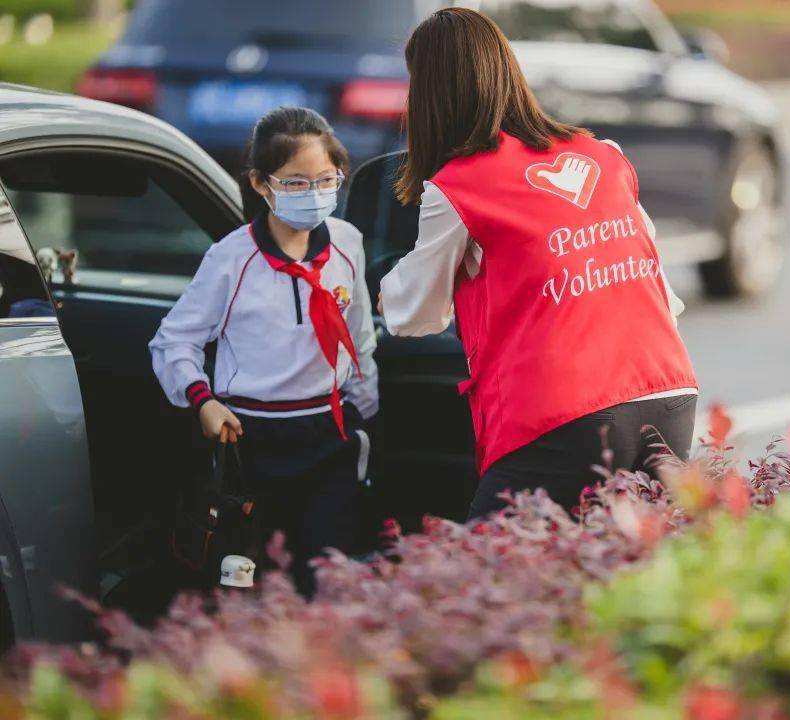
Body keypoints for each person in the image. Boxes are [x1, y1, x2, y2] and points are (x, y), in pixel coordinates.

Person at [379, 8, 698, 519]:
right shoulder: (604, 156)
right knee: (628, 564)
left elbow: (414, 314)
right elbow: (661, 292)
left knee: (490, 571)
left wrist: (382, 287)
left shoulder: (461, 186)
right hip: (669, 394)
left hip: (564, 414)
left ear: (432, 92)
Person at [149, 107, 378, 593]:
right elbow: (175, 339)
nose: (312, 193)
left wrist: (361, 407)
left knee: (325, 577)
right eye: (295, 183)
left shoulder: (347, 244)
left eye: (325, 179)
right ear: (260, 183)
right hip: (251, 443)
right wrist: (202, 399)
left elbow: (358, 337)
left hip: (329, 435)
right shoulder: (231, 259)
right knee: (250, 580)